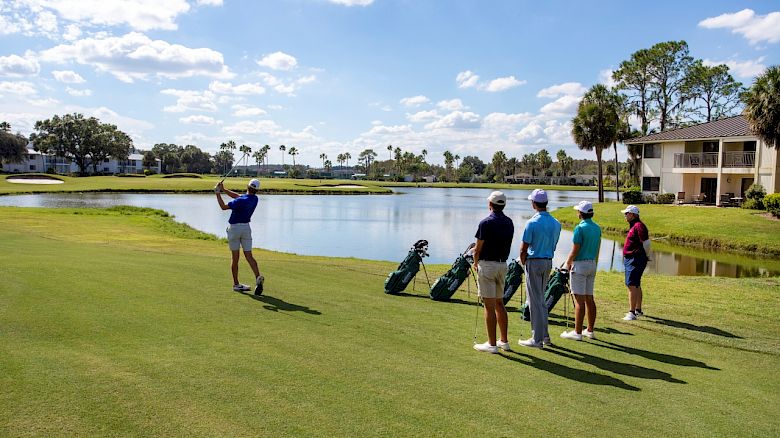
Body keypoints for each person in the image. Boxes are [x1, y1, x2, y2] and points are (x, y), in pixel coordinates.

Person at [473, 191, 514, 354]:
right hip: (502, 265)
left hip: (488, 266)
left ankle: (492, 344)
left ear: (490, 204)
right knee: (499, 303)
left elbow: (478, 249)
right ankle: (503, 341)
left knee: (489, 307)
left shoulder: (485, 223)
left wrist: (476, 263)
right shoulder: (509, 222)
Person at [518, 189, 561, 348]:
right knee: (541, 300)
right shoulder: (556, 223)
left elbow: (523, 248)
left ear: (534, 204)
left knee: (534, 301)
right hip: (548, 262)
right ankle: (545, 336)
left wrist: (523, 262)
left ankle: (537, 339)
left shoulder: (532, 222)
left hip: (534, 262)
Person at [560, 201, 601, 341]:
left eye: (578, 211)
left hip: (580, 266)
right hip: (592, 264)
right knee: (589, 298)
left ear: (581, 213)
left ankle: (577, 332)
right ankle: (589, 330)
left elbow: (575, 250)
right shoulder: (597, 228)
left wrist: (566, 264)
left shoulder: (579, 228)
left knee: (579, 300)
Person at [215, 179, 264, 295]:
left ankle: (236, 284)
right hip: (246, 229)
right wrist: (224, 189)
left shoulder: (240, 201)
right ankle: (258, 278)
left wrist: (217, 193)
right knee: (249, 256)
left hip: (235, 229)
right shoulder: (254, 199)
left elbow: (223, 207)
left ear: (247, 186)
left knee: (235, 257)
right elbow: (238, 196)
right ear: (256, 190)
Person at [621, 205, 650, 321]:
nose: (625, 215)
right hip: (634, 258)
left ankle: (631, 312)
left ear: (633, 214)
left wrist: (646, 255)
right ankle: (638, 310)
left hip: (635, 258)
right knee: (636, 284)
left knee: (631, 284)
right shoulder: (635, 225)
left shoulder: (639, 226)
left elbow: (646, 243)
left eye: (626, 213)